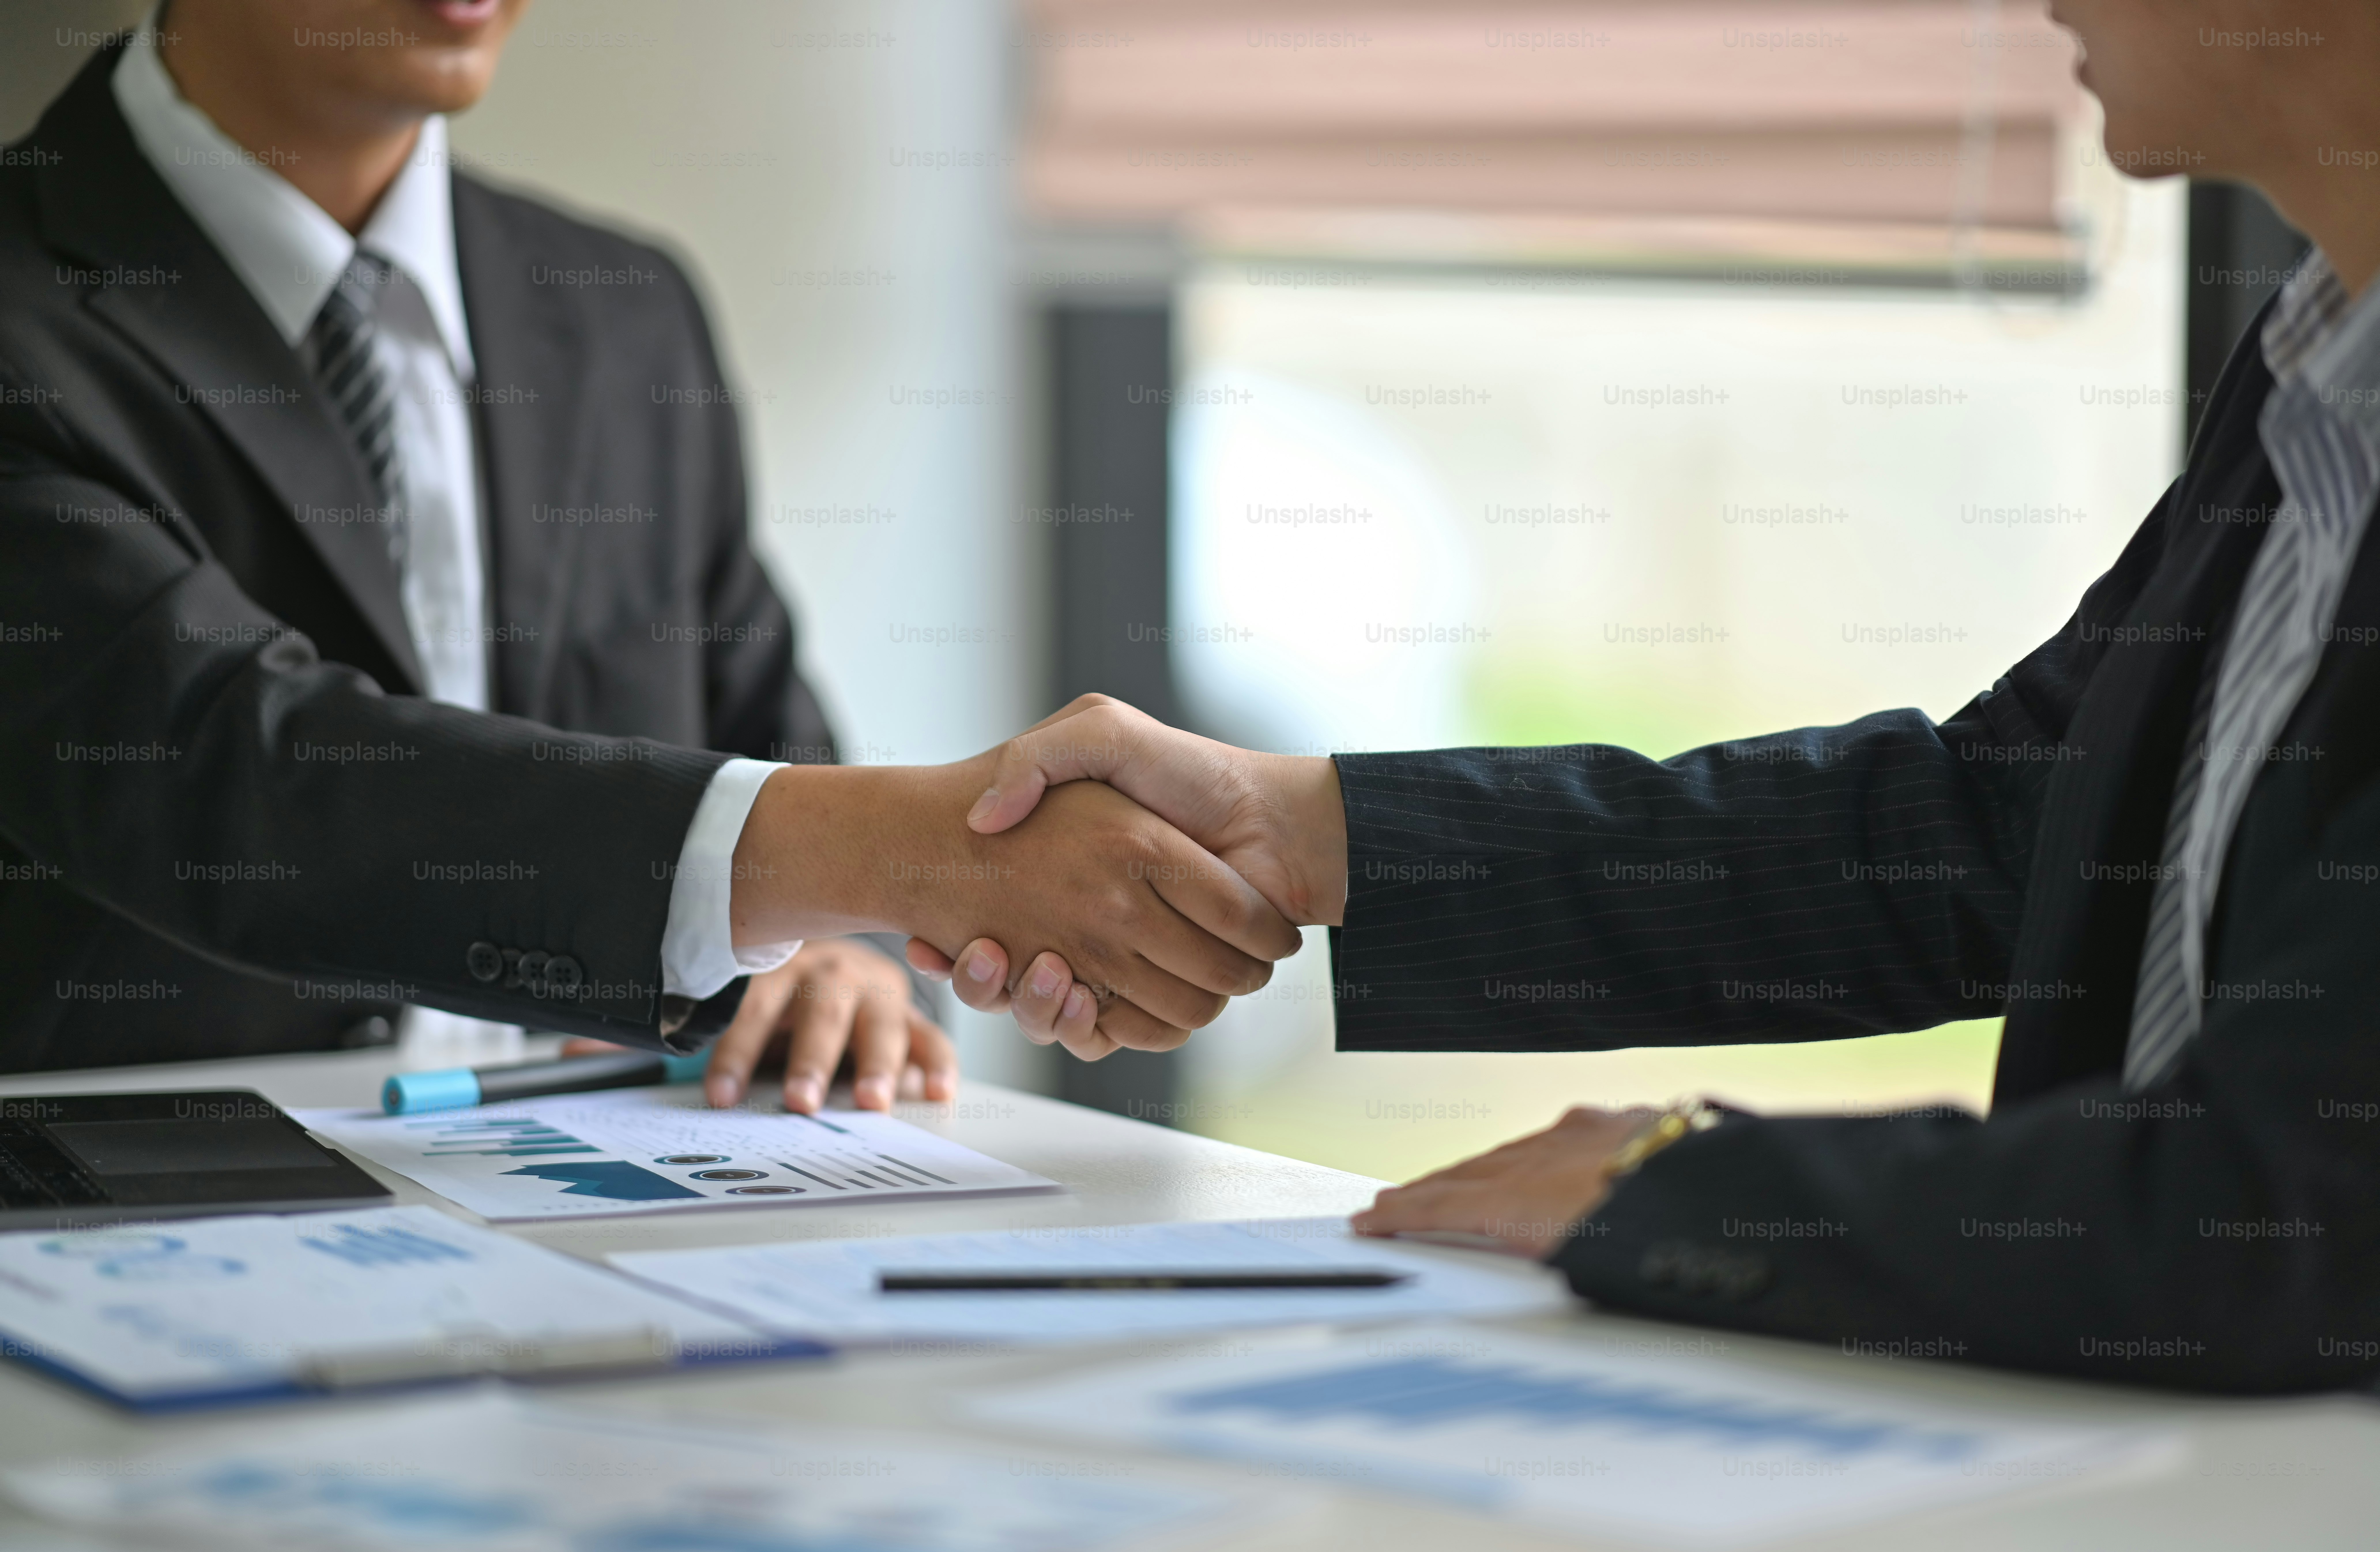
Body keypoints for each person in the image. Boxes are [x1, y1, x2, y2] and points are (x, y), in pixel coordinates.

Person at [917, 0, 2380, 1391]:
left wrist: (1682, 1186)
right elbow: (2000, 830)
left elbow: (2285, 1212)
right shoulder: (2309, 375)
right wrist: (1318, 828)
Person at [0, 0, 1299, 1101]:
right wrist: (907, 852)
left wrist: (838, 957)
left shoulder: (625, 313)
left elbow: (772, 753)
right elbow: (238, 768)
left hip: (611, 1251)